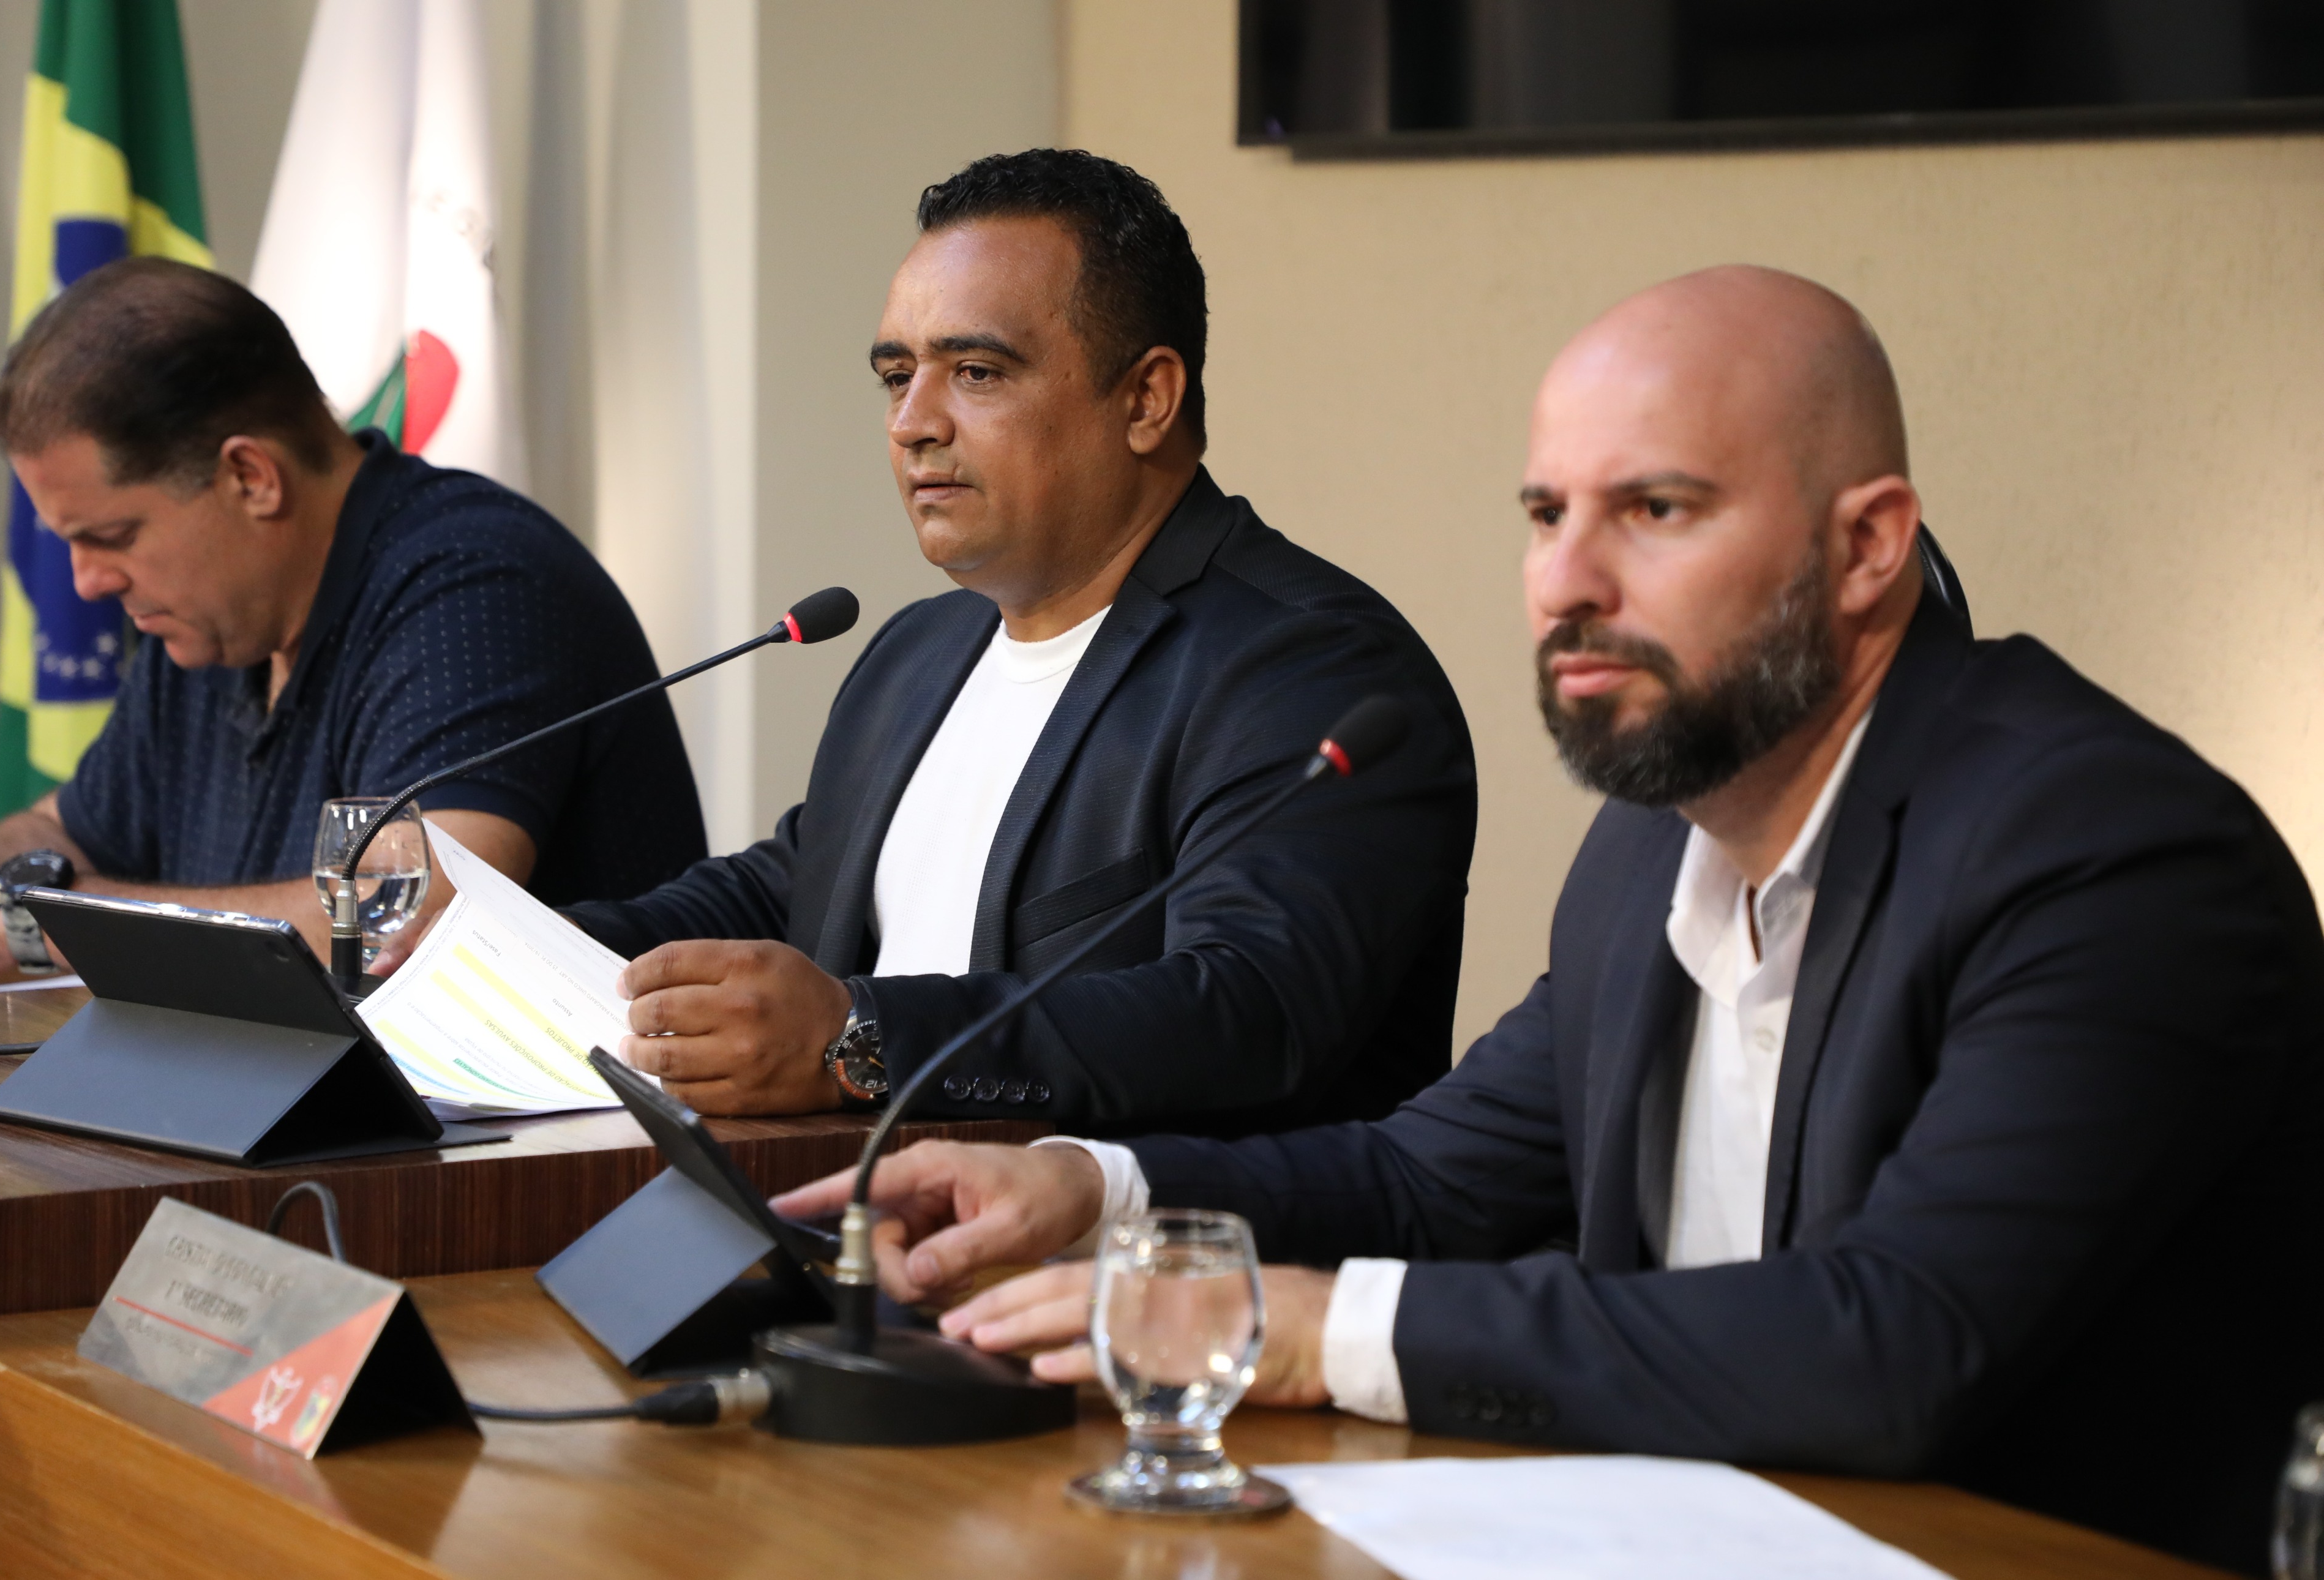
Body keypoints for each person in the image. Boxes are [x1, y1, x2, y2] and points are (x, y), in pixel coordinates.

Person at [775, 266, 2324, 1574]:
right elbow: (1424, 1177)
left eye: (1654, 509)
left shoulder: (2108, 858)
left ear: (1868, 548)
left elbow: (1893, 1341)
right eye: (1543, 514)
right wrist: (1089, 1190)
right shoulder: (1649, 848)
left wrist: (1311, 1327)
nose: (1567, 583)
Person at [561, 149, 1477, 1130]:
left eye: (976, 372)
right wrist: (499, 934)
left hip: (1139, 1226)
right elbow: (788, 893)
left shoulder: (1310, 670)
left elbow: (1246, 1014)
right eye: (897, 376)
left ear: (1146, 399)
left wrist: (860, 1040)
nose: (912, 423)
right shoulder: (916, 654)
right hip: (844, 1212)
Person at [0, 257, 705, 976]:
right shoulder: (213, 616)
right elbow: (65, 835)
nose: (87, 583)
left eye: (114, 536)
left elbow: (404, 923)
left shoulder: (479, 587)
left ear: (250, 477)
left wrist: (23, 921)